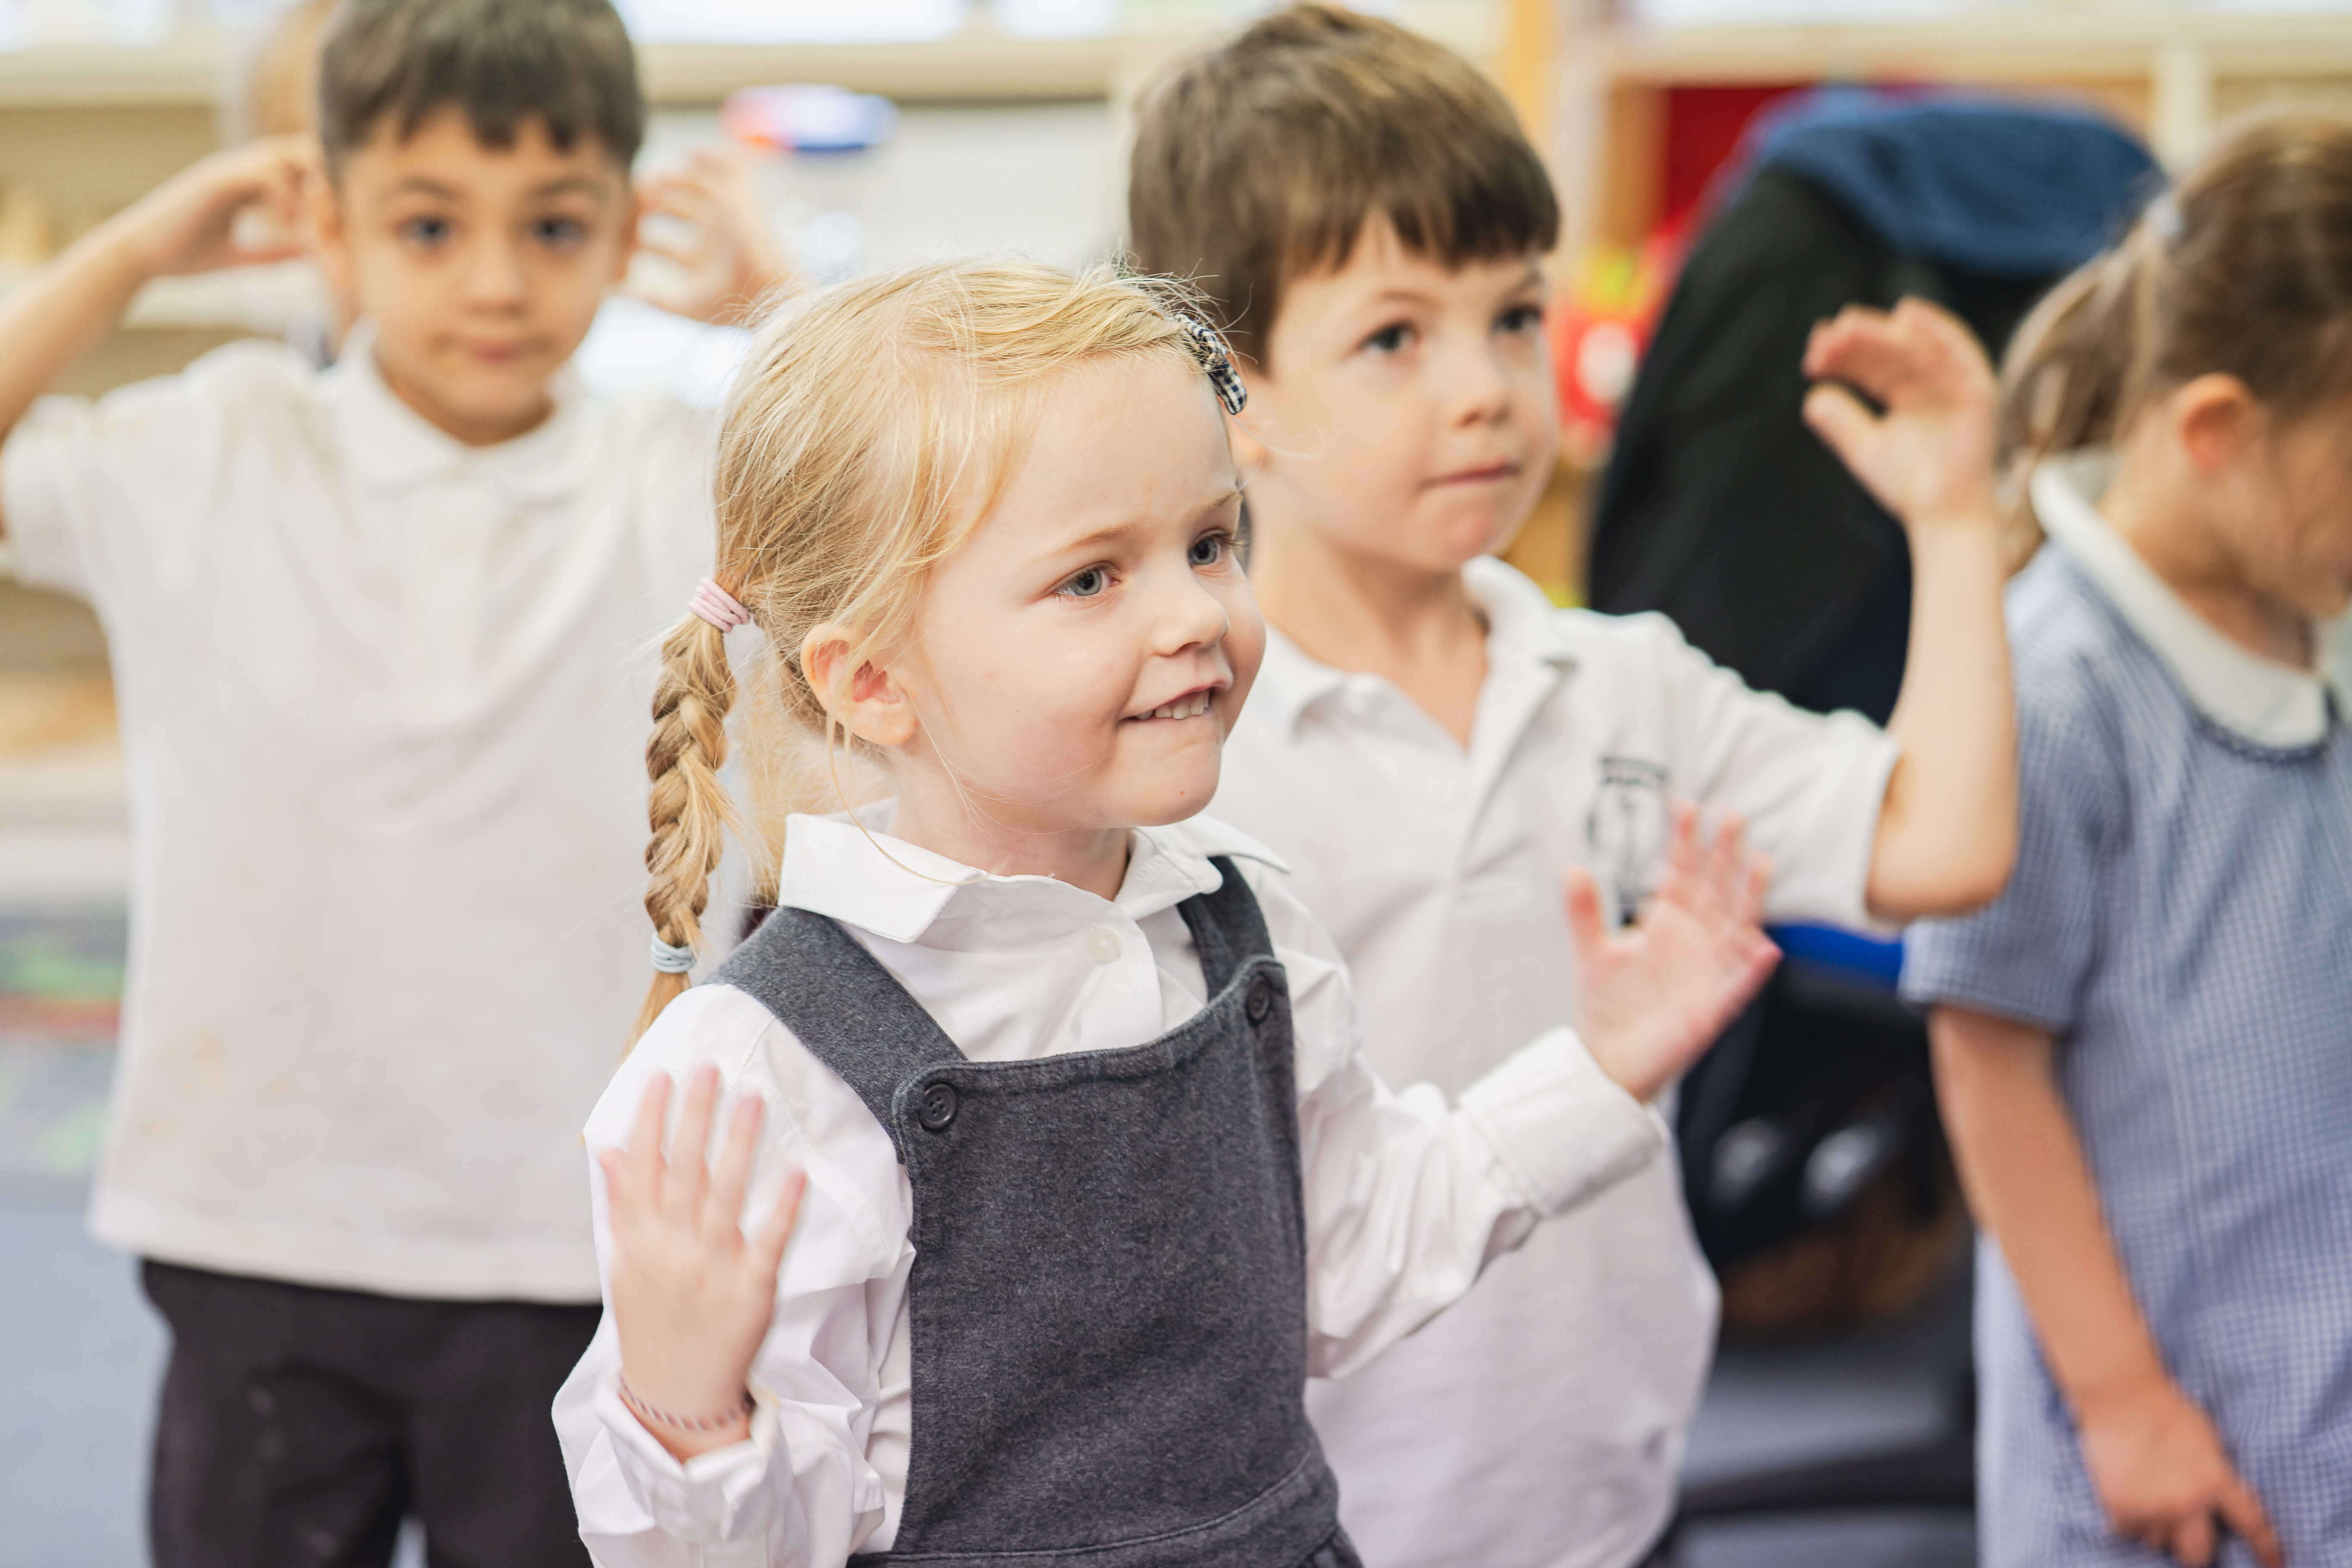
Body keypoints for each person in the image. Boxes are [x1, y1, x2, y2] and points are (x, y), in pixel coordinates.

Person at [552, 257, 1785, 1567]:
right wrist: (688, 1407)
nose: (1198, 612)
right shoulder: (757, 1076)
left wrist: (1603, 1069)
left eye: (1209, 543)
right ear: (873, 683)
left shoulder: (1242, 930)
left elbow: (1347, 1263)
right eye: (1093, 578)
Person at [1123, 9, 2018, 1565]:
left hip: (1609, 1487)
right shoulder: (1175, 738)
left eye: (1517, 317)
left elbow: (1942, 844)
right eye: (1397, 336)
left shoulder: (1627, 685)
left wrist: (1954, 524)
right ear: (1233, 389)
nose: (1485, 389)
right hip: (1293, 1510)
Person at [0, 2, 725, 1562]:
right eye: (424, 222)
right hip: (258, 1219)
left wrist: (782, 296)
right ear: (324, 222)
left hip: (570, 1236)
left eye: (551, 224)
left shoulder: (675, 468)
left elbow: (944, 480)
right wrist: (130, 252)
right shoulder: (210, 445)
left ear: (624, 216)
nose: (492, 280)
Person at [1906, 112, 2352, 1568]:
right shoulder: (2054, 684)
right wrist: (2121, 1398)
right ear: (2218, 431)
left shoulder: (2315, 608)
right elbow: (1986, 1056)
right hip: (2166, 1439)